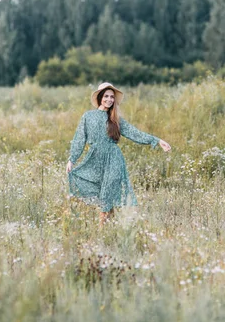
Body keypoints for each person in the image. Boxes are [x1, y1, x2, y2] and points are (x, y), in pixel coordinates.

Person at [66, 82, 171, 224]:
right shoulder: (88, 117)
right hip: (95, 158)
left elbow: (135, 133)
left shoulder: (116, 119)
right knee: (101, 193)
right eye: (106, 96)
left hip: (114, 159)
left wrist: (157, 140)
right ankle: (109, 225)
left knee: (107, 193)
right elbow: (79, 139)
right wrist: (72, 159)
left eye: (112, 97)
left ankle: (102, 229)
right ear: (100, 97)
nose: (109, 99)